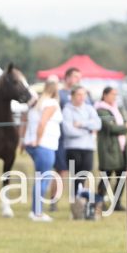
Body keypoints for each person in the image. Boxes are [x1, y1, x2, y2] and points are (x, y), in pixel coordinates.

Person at [23, 80, 63, 222]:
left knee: (40, 177)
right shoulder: (51, 103)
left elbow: (26, 121)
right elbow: (42, 123)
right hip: (45, 144)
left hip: (33, 143)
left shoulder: (36, 103)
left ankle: (35, 210)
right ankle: (37, 213)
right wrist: (38, 140)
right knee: (44, 178)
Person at [61, 86, 101, 200]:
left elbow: (98, 124)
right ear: (72, 96)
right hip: (73, 148)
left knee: (85, 171)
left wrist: (82, 124)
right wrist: (88, 131)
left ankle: (78, 196)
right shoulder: (67, 110)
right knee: (76, 174)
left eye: (84, 94)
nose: (82, 97)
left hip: (88, 147)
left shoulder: (89, 109)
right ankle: (76, 197)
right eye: (79, 94)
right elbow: (69, 131)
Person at [94, 86, 127, 211]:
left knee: (122, 176)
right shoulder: (101, 110)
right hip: (108, 148)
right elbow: (111, 128)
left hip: (121, 148)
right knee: (106, 176)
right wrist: (125, 127)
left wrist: (123, 126)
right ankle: (99, 201)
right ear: (105, 95)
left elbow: (125, 122)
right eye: (112, 94)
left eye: (115, 94)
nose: (114, 97)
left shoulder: (117, 109)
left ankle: (117, 202)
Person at [51, 67, 82, 209]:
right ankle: (54, 201)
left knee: (80, 171)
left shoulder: (82, 94)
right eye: (75, 76)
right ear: (67, 77)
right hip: (61, 139)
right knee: (61, 171)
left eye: (79, 77)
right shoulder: (60, 94)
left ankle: (78, 202)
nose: (78, 79)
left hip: (78, 140)